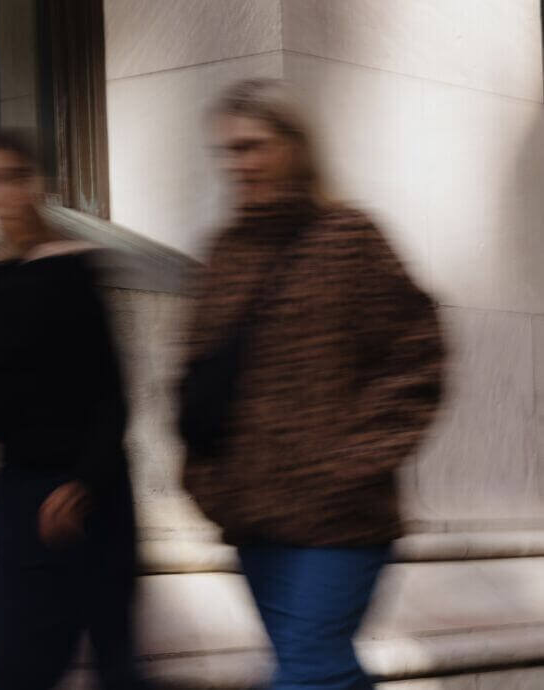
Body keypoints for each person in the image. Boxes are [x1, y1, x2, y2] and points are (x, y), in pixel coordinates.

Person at [179, 79, 445, 690]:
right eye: (227, 150)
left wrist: (352, 463)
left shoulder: (350, 239)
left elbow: (418, 357)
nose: (237, 164)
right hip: (252, 515)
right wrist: (206, 479)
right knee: (320, 669)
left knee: (307, 672)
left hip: (340, 518)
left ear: (295, 146)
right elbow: (194, 377)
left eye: (252, 146)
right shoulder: (224, 253)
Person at [0, 130, 147, 690]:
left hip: (90, 488)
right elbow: (3, 385)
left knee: (114, 659)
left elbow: (112, 393)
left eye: (10, 178)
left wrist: (83, 483)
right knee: (16, 665)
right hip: (19, 489)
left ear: (36, 185)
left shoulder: (75, 268)